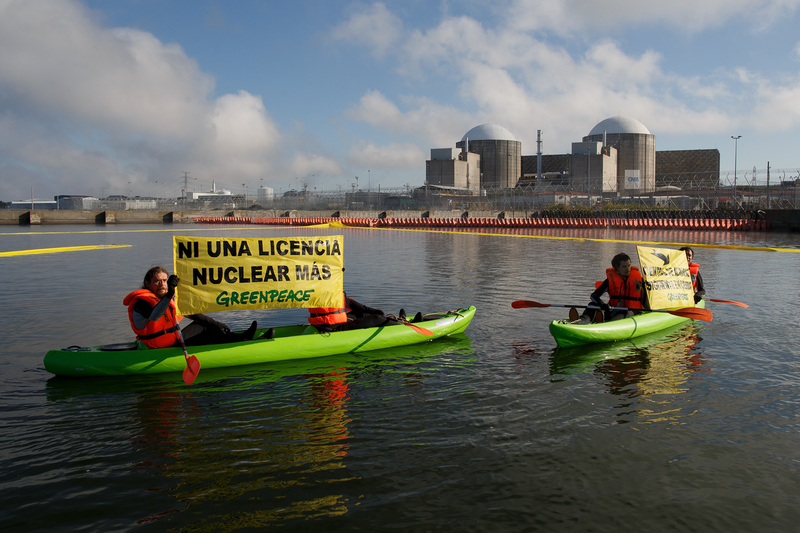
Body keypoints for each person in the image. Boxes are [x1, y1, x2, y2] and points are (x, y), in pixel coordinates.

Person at [124, 266, 268, 348]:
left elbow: (191, 313)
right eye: (157, 281)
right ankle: (244, 343)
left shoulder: (167, 298)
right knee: (206, 330)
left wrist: (216, 323)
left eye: (164, 281)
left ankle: (242, 338)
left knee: (207, 325)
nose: (162, 284)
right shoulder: (142, 302)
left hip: (172, 341)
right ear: (147, 284)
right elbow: (155, 316)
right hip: (157, 347)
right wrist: (169, 294)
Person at [571, 252, 646, 324]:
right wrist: (602, 304)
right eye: (624, 267)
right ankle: (583, 320)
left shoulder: (639, 280)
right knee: (593, 304)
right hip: (613, 311)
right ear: (617, 268)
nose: (628, 269)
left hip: (631, 313)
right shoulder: (610, 281)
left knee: (628, 312)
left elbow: (647, 299)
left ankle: (607, 324)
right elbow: (594, 296)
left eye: (629, 265)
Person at [308, 292, 421, 333]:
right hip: (331, 328)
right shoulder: (318, 289)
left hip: (337, 322)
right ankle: (407, 329)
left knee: (367, 315)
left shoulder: (330, 286)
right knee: (376, 319)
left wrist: (373, 310)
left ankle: (399, 321)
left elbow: (350, 303)